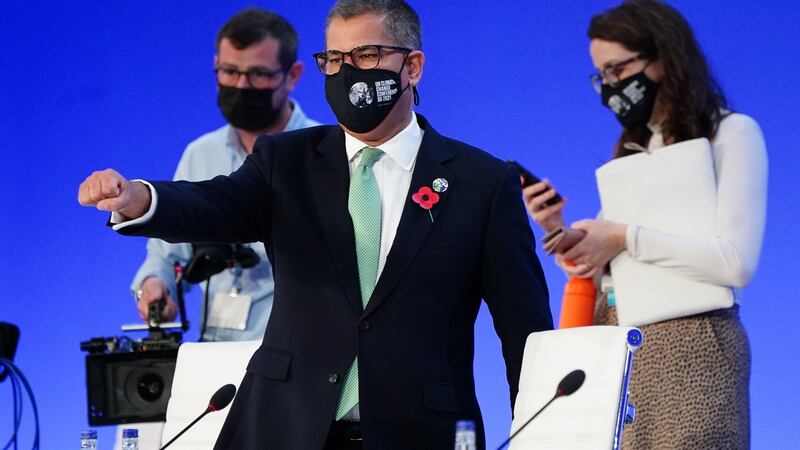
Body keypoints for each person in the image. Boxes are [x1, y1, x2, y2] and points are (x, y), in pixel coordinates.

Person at [79, 1, 553, 449]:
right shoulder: (285, 160)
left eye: (366, 56)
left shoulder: (482, 183)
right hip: (285, 426)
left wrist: (542, 435)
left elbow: (525, 333)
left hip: (419, 432)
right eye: (334, 59)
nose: (346, 74)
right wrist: (139, 198)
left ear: (412, 67)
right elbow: (214, 203)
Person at [523, 1, 766, 449]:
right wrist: (559, 230)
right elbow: (600, 268)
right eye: (602, 76)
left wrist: (623, 237)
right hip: (623, 353)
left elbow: (736, 262)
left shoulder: (731, 134)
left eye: (618, 70)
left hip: (695, 349)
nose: (611, 87)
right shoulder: (635, 150)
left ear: (663, 57)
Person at [132, 7, 320, 342]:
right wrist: (154, 286)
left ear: (293, 75)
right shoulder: (201, 154)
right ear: (216, 64)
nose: (241, 86)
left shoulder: (325, 153)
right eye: (230, 72)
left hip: (302, 353)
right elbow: (166, 255)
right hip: (216, 352)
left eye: (258, 75)